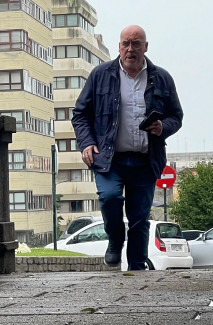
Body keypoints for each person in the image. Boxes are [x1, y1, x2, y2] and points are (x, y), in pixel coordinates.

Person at [71, 25, 183, 270]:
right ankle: (115, 240)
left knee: (140, 219)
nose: (130, 49)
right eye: (126, 43)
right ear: (119, 46)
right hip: (109, 159)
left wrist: (163, 126)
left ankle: (137, 268)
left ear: (146, 47)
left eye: (136, 43)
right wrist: (87, 142)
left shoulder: (161, 78)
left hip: (145, 160)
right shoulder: (101, 75)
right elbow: (80, 114)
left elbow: (177, 116)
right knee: (110, 197)